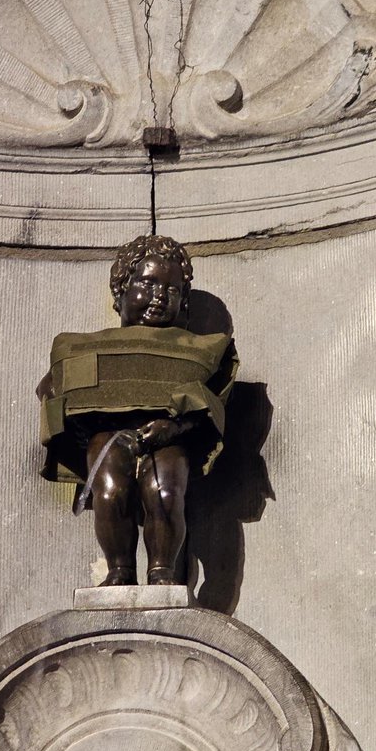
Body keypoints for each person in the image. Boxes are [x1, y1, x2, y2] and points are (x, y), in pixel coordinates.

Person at [38, 235, 237, 587]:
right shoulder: (83, 347)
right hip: (107, 434)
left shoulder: (201, 349)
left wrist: (174, 427)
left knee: (164, 491)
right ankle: (120, 570)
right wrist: (77, 414)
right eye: (148, 283)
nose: (159, 296)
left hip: (166, 435)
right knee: (109, 492)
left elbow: (210, 402)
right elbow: (51, 388)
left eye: (172, 289)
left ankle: (161, 571)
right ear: (121, 289)